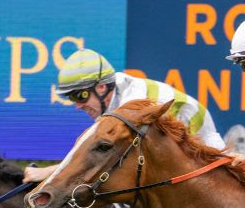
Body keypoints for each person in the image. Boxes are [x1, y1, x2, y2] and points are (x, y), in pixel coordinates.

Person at [23, 48, 230, 183]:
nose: (78, 105)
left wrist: (49, 172)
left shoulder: (132, 105)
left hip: (205, 163)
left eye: (81, 96)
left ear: (102, 87)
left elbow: (105, 160)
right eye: (71, 97)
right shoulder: (115, 94)